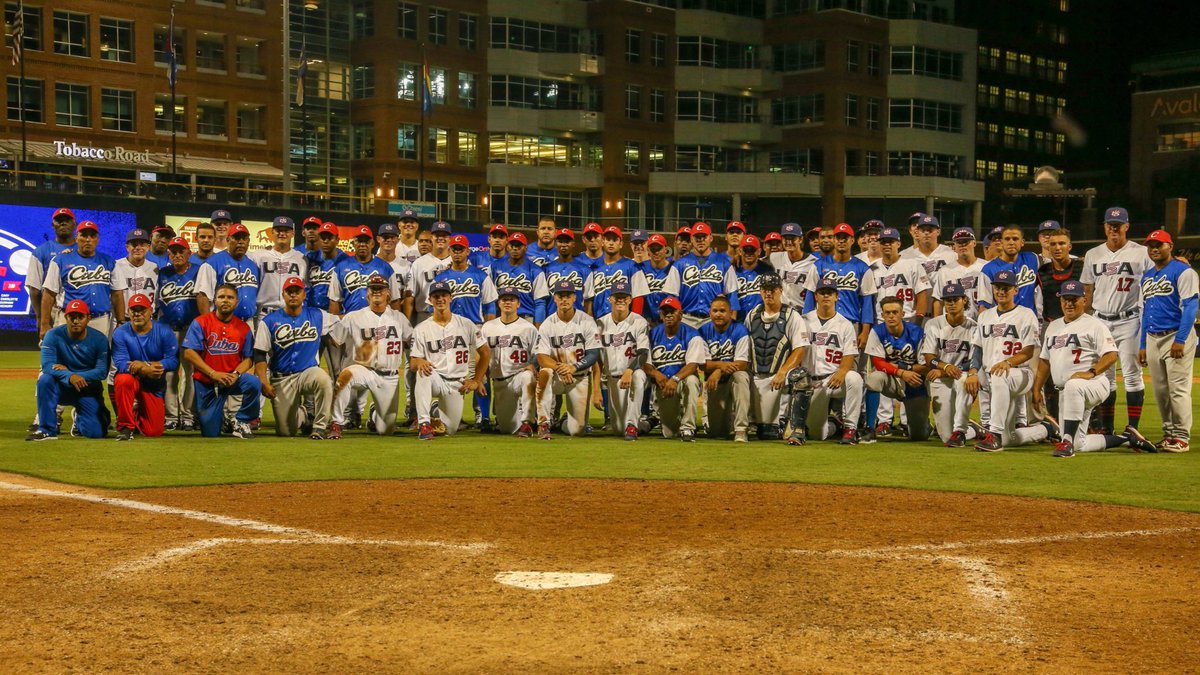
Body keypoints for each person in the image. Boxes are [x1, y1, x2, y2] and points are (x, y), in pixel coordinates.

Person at [1034, 280, 1156, 458]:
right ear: (1060, 301)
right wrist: (1036, 388)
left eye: (1073, 299)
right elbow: (1045, 361)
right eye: (1065, 299)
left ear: (1084, 301)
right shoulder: (1053, 326)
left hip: (1094, 384)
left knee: (1073, 385)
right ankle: (1127, 439)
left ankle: (1065, 441)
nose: (1069, 303)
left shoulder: (1094, 325)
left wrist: (1091, 372)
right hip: (1067, 392)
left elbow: (1111, 354)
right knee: (1080, 444)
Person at [1081, 206, 1152, 436]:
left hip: (1129, 319)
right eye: (1110, 224)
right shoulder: (1093, 254)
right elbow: (1088, 291)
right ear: (1104, 226)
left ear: (1126, 226)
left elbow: (1158, 273)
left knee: (1132, 374)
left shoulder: (1142, 252)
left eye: (1118, 224)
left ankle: (1133, 428)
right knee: (1106, 377)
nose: (1114, 228)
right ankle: (1107, 428)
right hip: (1100, 320)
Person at [969, 270, 1057, 452]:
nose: (1001, 291)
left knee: (1000, 375)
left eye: (1006, 288)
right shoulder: (985, 316)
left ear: (1015, 290)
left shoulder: (1026, 314)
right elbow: (977, 347)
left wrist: (1008, 362)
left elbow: (1028, 351)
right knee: (1010, 438)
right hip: (994, 376)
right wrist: (972, 371)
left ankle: (993, 435)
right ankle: (1045, 429)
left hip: (1020, 373)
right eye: (998, 288)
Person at [255, 277, 341, 439]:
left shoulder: (317, 315)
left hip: (308, 373)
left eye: (297, 292)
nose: (293, 295)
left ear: (304, 295)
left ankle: (320, 426)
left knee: (323, 379)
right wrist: (264, 382)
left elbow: (342, 321)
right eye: (289, 292)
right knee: (286, 432)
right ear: (283, 295)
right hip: (282, 378)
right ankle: (302, 415)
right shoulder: (269, 321)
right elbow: (259, 354)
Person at [330, 274, 413, 438]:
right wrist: (356, 350)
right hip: (365, 370)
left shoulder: (398, 318)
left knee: (386, 430)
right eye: (373, 289)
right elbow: (335, 340)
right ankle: (336, 423)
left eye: (380, 289)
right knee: (345, 376)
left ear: (388, 293)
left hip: (390, 376)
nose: (377, 292)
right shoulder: (354, 316)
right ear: (367, 293)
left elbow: (413, 340)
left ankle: (375, 415)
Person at [1138, 229, 1198, 453]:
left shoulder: (1183, 272)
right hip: (1152, 337)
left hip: (1176, 335)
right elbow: (1145, 312)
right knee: (1161, 390)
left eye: (1159, 245)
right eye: (1151, 245)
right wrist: (1143, 344)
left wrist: (1181, 339)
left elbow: (1191, 307)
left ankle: (1181, 437)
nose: (1154, 249)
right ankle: (1169, 434)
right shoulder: (1147, 276)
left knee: (1178, 389)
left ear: (1170, 246)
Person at [410, 280, 490, 439]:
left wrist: (476, 380)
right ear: (430, 300)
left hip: (457, 384)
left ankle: (434, 410)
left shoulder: (466, 324)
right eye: (436, 296)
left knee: (450, 429)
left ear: (450, 298)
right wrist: (419, 361)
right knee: (423, 373)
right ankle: (424, 424)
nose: (440, 299)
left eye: (444, 295)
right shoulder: (421, 328)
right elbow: (413, 363)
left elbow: (485, 352)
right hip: (435, 378)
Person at [181, 284, 262, 438]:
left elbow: (249, 358)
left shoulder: (243, 327)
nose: (226, 300)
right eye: (222, 297)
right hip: (207, 382)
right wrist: (213, 373)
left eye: (230, 297)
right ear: (215, 301)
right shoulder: (201, 322)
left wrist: (236, 374)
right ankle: (222, 420)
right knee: (211, 433)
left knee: (253, 383)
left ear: (236, 302)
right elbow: (189, 353)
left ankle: (242, 420)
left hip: (232, 380)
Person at [28, 299, 111, 441]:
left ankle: (79, 418)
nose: (76, 321)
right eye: (72, 317)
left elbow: (102, 371)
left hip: (87, 388)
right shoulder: (53, 335)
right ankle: (46, 429)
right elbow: (47, 365)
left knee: (96, 433)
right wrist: (70, 376)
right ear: (65, 317)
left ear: (88, 318)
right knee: (45, 380)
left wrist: (74, 374)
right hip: (62, 387)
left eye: (80, 317)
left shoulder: (99, 339)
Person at [744, 273, 810, 442]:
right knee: (767, 434)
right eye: (765, 289)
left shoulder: (791, 316)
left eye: (772, 289)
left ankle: (797, 429)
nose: (768, 293)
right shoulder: (752, 315)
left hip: (779, 377)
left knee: (800, 376)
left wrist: (783, 371)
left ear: (780, 290)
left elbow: (800, 349)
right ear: (760, 291)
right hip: (757, 376)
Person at [800, 278, 865, 444]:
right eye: (822, 293)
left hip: (833, 379)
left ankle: (850, 428)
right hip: (810, 381)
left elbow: (850, 354)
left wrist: (842, 371)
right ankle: (834, 424)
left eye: (830, 293)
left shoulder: (845, 324)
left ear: (836, 296)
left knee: (855, 379)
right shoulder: (803, 321)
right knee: (817, 435)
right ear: (816, 296)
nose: (826, 296)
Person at [534, 280, 601, 439]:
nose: (564, 299)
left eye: (568, 295)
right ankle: (543, 423)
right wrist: (561, 368)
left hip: (579, 377)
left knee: (577, 431)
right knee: (545, 372)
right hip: (558, 376)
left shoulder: (587, 321)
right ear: (554, 298)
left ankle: (562, 421)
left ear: (574, 298)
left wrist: (574, 367)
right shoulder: (547, 324)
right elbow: (542, 357)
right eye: (560, 295)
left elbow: (593, 354)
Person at [111, 294, 178, 440]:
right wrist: (144, 368)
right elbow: (121, 364)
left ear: (150, 311)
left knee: (153, 431)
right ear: (128, 312)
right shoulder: (120, 333)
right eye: (134, 310)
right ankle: (125, 427)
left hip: (153, 382)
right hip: (132, 378)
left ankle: (135, 412)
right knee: (122, 380)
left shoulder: (164, 331)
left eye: (142, 310)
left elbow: (173, 361)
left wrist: (150, 366)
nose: (137, 314)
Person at [920, 282, 980, 447]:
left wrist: (945, 371)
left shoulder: (974, 328)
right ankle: (975, 429)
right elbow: (928, 358)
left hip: (961, 375)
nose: (952, 304)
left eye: (955, 299)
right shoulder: (933, 324)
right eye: (948, 300)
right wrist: (945, 367)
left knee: (964, 379)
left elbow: (974, 361)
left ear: (964, 301)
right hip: (940, 376)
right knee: (946, 436)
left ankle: (960, 430)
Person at [864, 296, 931, 442]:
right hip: (893, 380)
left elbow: (925, 366)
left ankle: (925, 425)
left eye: (895, 312)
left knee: (919, 436)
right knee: (874, 378)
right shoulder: (877, 331)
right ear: (882, 315)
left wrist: (903, 368)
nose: (891, 316)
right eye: (887, 313)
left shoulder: (917, 332)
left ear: (903, 314)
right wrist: (901, 372)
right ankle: (869, 428)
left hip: (915, 382)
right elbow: (878, 362)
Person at [40, 220, 119, 340]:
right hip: (69, 319)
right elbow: (49, 294)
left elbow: (117, 294)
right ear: (76, 238)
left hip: (100, 320)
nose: (88, 239)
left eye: (92, 236)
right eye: (84, 235)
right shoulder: (60, 260)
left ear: (97, 239)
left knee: (98, 358)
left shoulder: (108, 261)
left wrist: (120, 321)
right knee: (64, 357)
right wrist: (44, 324)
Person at [643, 297, 707, 441]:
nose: (668, 315)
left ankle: (688, 428)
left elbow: (693, 365)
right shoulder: (652, 334)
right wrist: (656, 374)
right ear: (660, 315)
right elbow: (644, 363)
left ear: (680, 314)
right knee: (670, 433)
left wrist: (676, 378)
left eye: (672, 311)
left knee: (692, 381)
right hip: (664, 385)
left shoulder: (692, 334)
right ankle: (663, 418)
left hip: (682, 382)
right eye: (665, 312)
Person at [482, 287, 540, 436]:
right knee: (508, 429)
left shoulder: (528, 328)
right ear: (498, 304)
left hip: (519, 375)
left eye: (512, 300)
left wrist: (532, 363)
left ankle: (528, 421)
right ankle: (518, 419)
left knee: (528, 377)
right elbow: (481, 354)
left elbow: (538, 351)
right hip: (500, 382)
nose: (508, 302)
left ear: (518, 304)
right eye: (504, 300)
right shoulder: (488, 327)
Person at [157, 237, 202, 431]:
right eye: (173, 251)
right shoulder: (162, 273)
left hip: (191, 331)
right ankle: (171, 416)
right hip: (167, 331)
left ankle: (188, 415)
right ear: (168, 254)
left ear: (188, 253)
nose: (177, 255)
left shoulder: (198, 271)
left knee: (191, 374)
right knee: (169, 374)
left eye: (180, 251)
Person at [597, 281, 650, 440]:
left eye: (624, 297)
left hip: (632, 373)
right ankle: (647, 424)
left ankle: (633, 425)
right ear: (610, 299)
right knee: (619, 429)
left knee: (638, 377)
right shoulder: (600, 323)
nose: (621, 300)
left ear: (630, 299)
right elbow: (595, 354)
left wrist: (629, 370)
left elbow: (643, 352)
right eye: (617, 297)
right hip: (613, 379)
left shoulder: (639, 321)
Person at [699, 295, 751, 442]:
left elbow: (742, 363)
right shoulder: (702, 331)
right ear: (709, 313)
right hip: (715, 384)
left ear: (730, 313)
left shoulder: (740, 329)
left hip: (732, 379)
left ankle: (741, 429)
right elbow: (702, 364)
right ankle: (728, 420)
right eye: (715, 311)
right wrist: (721, 367)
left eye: (722, 311)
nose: (718, 314)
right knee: (717, 433)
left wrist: (717, 369)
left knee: (741, 376)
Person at [672, 222, 739, 328]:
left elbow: (732, 296)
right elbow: (672, 296)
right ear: (692, 239)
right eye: (697, 237)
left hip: (713, 320)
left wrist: (732, 324)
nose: (701, 240)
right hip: (686, 319)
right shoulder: (679, 265)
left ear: (711, 238)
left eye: (704, 237)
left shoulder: (723, 263)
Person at [26, 207, 78, 336]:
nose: (63, 223)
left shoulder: (84, 250)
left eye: (67, 220)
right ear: (52, 225)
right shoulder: (41, 252)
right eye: (59, 220)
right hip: (53, 308)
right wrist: (41, 317)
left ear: (74, 224)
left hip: (82, 307)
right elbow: (34, 289)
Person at [195, 223, 260, 321]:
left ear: (249, 241)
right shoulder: (212, 263)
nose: (241, 242)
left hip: (248, 322)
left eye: (244, 238)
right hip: (222, 321)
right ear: (228, 240)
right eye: (237, 238)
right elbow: (202, 296)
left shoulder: (253, 265)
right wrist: (209, 323)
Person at [584, 226, 647, 321]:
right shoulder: (593, 268)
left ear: (621, 244)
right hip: (598, 321)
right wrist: (589, 321)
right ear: (602, 242)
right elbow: (589, 299)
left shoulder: (632, 266)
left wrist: (634, 321)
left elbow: (638, 297)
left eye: (615, 240)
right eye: (608, 239)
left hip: (624, 321)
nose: (611, 243)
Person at [249, 216, 308, 318]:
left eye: (286, 231)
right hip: (265, 313)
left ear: (293, 233)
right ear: (272, 232)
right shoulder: (258, 256)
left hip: (293, 313)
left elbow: (305, 288)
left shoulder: (301, 259)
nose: (282, 233)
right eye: (278, 230)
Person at [977, 224, 1041, 314]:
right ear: (1002, 242)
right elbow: (984, 305)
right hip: (1004, 322)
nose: (1011, 242)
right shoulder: (988, 270)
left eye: (1015, 239)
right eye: (1007, 239)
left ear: (1022, 242)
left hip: (1031, 321)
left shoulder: (1032, 258)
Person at [871, 226, 931, 323]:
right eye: (883, 242)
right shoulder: (872, 268)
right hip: (880, 322)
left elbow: (922, 295)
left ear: (898, 244)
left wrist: (918, 321)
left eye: (890, 241)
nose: (887, 245)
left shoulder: (912, 265)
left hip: (907, 320)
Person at [433, 234, 498, 324]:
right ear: (449, 251)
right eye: (454, 249)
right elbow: (432, 308)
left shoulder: (482, 276)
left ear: (467, 251)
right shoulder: (439, 279)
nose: (457, 252)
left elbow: (490, 305)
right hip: (449, 327)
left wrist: (489, 329)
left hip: (475, 326)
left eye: (461, 249)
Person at [490, 232, 549, 323]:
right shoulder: (494, 267)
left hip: (526, 318)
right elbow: (490, 301)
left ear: (526, 248)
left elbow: (540, 303)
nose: (515, 248)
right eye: (512, 245)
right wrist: (491, 324)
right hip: (500, 318)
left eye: (519, 246)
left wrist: (538, 329)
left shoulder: (536, 271)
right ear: (507, 246)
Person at [931, 228, 986, 320]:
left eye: (966, 242)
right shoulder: (945, 271)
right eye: (959, 242)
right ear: (954, 246)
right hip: (953, 323)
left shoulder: (986, 267)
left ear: (974, 243)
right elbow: (938, 300)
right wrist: (938, 323)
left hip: (980, 321)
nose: (962, 245)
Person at [407, 220, 453, 324]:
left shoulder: (458, 261)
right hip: (425, 315)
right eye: (437, 235)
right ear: (432, 237)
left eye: (444, 235)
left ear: (450, 239)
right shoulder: (419, 263)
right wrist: (407, 323)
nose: (440, 238)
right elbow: (410, 296)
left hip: (452, 315)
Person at [112, 227, 159, 316]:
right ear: (127, 247)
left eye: (142, 244)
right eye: (134, 244)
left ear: (148, 247)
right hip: (123, 318)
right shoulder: (116, 266)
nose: (138, 247)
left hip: (148, 319)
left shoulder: (155, 268)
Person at [542, 228, 590, 316]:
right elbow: (542, 300)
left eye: (567, 241)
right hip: (552, 317)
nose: (564, 245)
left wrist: (589, 320)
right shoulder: (546, 269)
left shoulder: (584, 269)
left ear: (573, 244)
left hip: (578, 318)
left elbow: (588, 299)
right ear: (556, 244)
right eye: (560, 241)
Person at [769, 222, 817, 310]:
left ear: (801, 239)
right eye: (786, 239)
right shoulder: (774, 257)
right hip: (781, 312)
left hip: (803, 311)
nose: (789, 242)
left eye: (793, 238)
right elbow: (755, 260)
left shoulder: (813, 262)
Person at [637, 233, 679, 325]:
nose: (656, 252)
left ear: (665, 249)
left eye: (659, 248)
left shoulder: (674, 267)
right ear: (648, 250)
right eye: (653, 249)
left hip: (667, 318)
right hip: (646, 319)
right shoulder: (641, 268)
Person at [900, 213, 957, 279]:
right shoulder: (903, 256)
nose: (926, 232)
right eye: (923, 229)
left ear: (938, 231)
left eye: (929, 230)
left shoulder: (950, 253)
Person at [733, 235, 774, 316]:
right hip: (739, 320)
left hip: (761, 320)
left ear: (759, 251)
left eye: (752, 250)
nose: (749, 253)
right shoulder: (733, 270)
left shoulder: (767, 270)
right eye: (746, 250)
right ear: (740, 251)